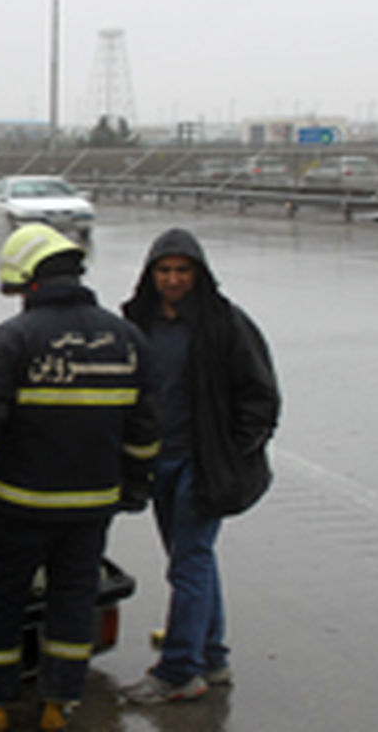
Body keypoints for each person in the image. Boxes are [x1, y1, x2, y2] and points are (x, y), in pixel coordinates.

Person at [0, 224, 161, 732]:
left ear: (32, 282)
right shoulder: (126, 338)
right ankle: (59, 703)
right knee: (73, 600)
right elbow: (144, 426)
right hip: (92, 507)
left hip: (20, 505)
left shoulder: (17, 338)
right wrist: (138, 481)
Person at [118, 228, 280, 704]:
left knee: (190, 562)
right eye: (164, 270)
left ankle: (179, 670)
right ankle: (212, 657)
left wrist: (234, 451)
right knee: (191, 562)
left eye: (182, 270)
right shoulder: (138, 324)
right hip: (156, 462)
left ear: (198, 273)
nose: (173, 279)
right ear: (151, 274)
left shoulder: (225, 324)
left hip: (202, 464)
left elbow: (261, 396)